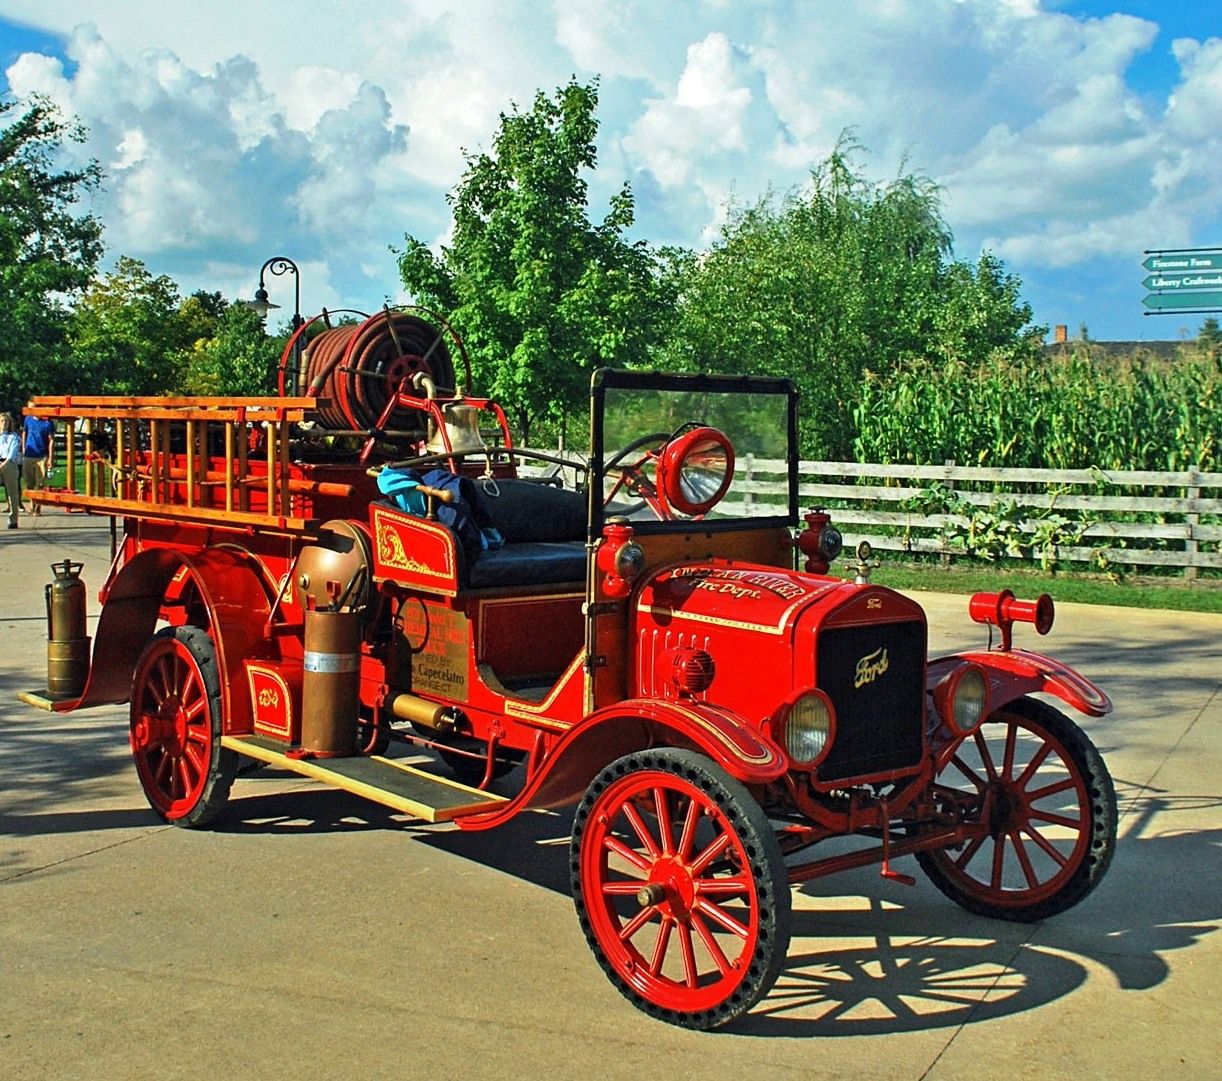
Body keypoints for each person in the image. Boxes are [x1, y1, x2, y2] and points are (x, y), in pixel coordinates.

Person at [21, 411, 55, 515]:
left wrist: (50, 458)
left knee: (40, 483)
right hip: (29, 454)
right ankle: (32, 504)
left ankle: (38, 507)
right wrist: (23, 447)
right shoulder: (28, 419)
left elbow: (51, 440)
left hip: (41, 455)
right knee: (29, 482)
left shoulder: (48, 423)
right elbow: (24, 432)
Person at [0, 412, 21, 529]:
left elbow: (12, 453)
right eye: (2, 421)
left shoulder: (14, 437)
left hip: (9, 464)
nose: (4, 424)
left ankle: (13, 520)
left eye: (6, 422)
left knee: (12, 492)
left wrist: (4, 464)